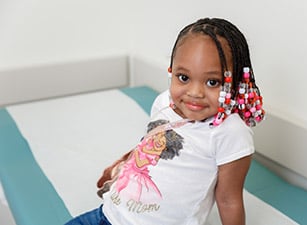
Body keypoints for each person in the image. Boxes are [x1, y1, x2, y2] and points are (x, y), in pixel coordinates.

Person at [65, 17, 265, 225]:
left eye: (212, 82)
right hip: (108, 215)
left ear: (236, 83)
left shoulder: (230, 131)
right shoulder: (163, 101)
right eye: (184, 78)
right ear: (172, 70)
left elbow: (228, 200)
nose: (195, 93)